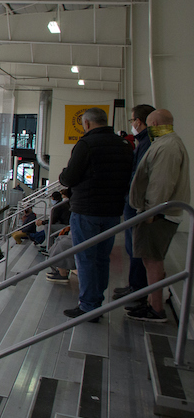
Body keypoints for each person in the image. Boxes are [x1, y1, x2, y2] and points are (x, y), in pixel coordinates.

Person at [58, 107, 133, 320]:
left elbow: (70, 177)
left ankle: (89, 305)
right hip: (112, 211)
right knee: (102, 258)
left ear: (88, 124)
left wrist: (63, 175)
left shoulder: (86, 144)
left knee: (85, 258)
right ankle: (97, 302)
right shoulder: (123, 145)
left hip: (87, 210)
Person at [126, 109, 190, 322]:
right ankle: (153, 303)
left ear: (151, 123)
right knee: (150, 260)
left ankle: (156, 309)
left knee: (153, 262)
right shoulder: (167, 143)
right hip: (158, 213)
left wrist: (151, 213)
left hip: (158, 215)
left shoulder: (167, 147)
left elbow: (161, 184)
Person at [113, 104, 155, 303]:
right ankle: (134, 285)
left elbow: (139, 176)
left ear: (138, 121)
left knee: (135, 247)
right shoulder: (144, 142)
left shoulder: (147, 143)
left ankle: (137, 288)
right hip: (133, 202)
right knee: (132, 247)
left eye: (132, 121)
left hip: (135, 204)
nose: (132, 125)